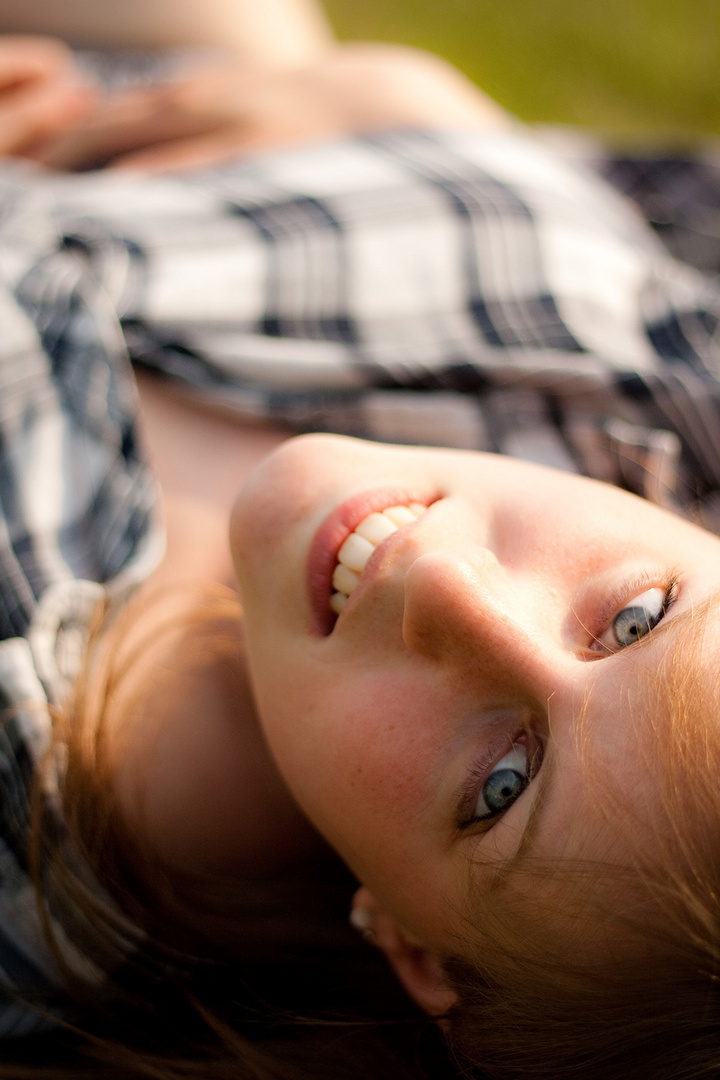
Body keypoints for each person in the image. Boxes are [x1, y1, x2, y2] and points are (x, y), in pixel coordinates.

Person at [0, 0, 719, 1077]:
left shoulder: (35, 828)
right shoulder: (663, 391)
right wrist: (399, 105)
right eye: (633, 617)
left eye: (502, 787)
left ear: (419, 952)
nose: (451, 591)